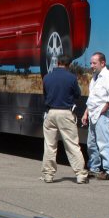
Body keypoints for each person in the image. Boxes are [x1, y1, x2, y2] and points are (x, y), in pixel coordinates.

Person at [40, 53, 89, 184]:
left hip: (50, 113)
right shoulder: (71, 78)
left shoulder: (47, 78)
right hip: (65, 113)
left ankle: (48, 175)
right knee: (72, 144)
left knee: (50, 146)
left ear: (57, 63)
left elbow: (45, 95)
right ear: (69, 65)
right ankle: (80, 175)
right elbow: (77, 94)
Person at [82, 51, 109, 180]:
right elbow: (92, 97)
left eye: (94, 63)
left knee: (104, 142)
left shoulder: (108, 76)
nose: (92, 65)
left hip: (102, 113)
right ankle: (94, 168)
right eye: (91, 63)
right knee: (91, 143)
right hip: (93, 112)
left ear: (102, 63)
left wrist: (106, 107)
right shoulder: (95, 77)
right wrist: (86, 113)